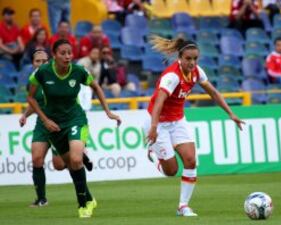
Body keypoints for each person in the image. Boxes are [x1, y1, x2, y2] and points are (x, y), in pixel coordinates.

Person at [143, 35, 245, 216]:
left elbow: (213, 92)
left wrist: (231, 114)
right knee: (171, 171)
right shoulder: (172, 76)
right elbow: (159, 101)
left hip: (178, 121)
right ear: (180, 58)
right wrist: (153, 127)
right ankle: (156, 152)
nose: (192, 62)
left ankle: (183, 206)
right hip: (157, 122)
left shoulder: (197, 72)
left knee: (191, 160)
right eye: (188, 59)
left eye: (195, 58)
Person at [28, 39, 121, 218]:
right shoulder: (43, 72)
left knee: (76, 160)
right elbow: (31, 98)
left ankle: (83, 205)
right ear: (54, 55)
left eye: (70, 52)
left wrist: (108, 112)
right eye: (63, 53)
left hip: (75, 119)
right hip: (53, 125)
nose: (67, 56)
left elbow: (96, 87)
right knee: (69, 164)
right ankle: (89, 197)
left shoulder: (78, 71)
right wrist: (45, 120)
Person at [20, 50, 94, 207]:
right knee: (36, 158)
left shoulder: (53, 76)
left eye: (44, 60)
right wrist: (25, 115)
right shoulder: (35, 80)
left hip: (61, 125)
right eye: (38, 61)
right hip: (43, 124)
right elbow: (35, 102)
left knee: (61, 164)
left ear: (50, 60)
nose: (41, 64)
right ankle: (41, 199)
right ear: (33, 63)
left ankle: (86, 195)